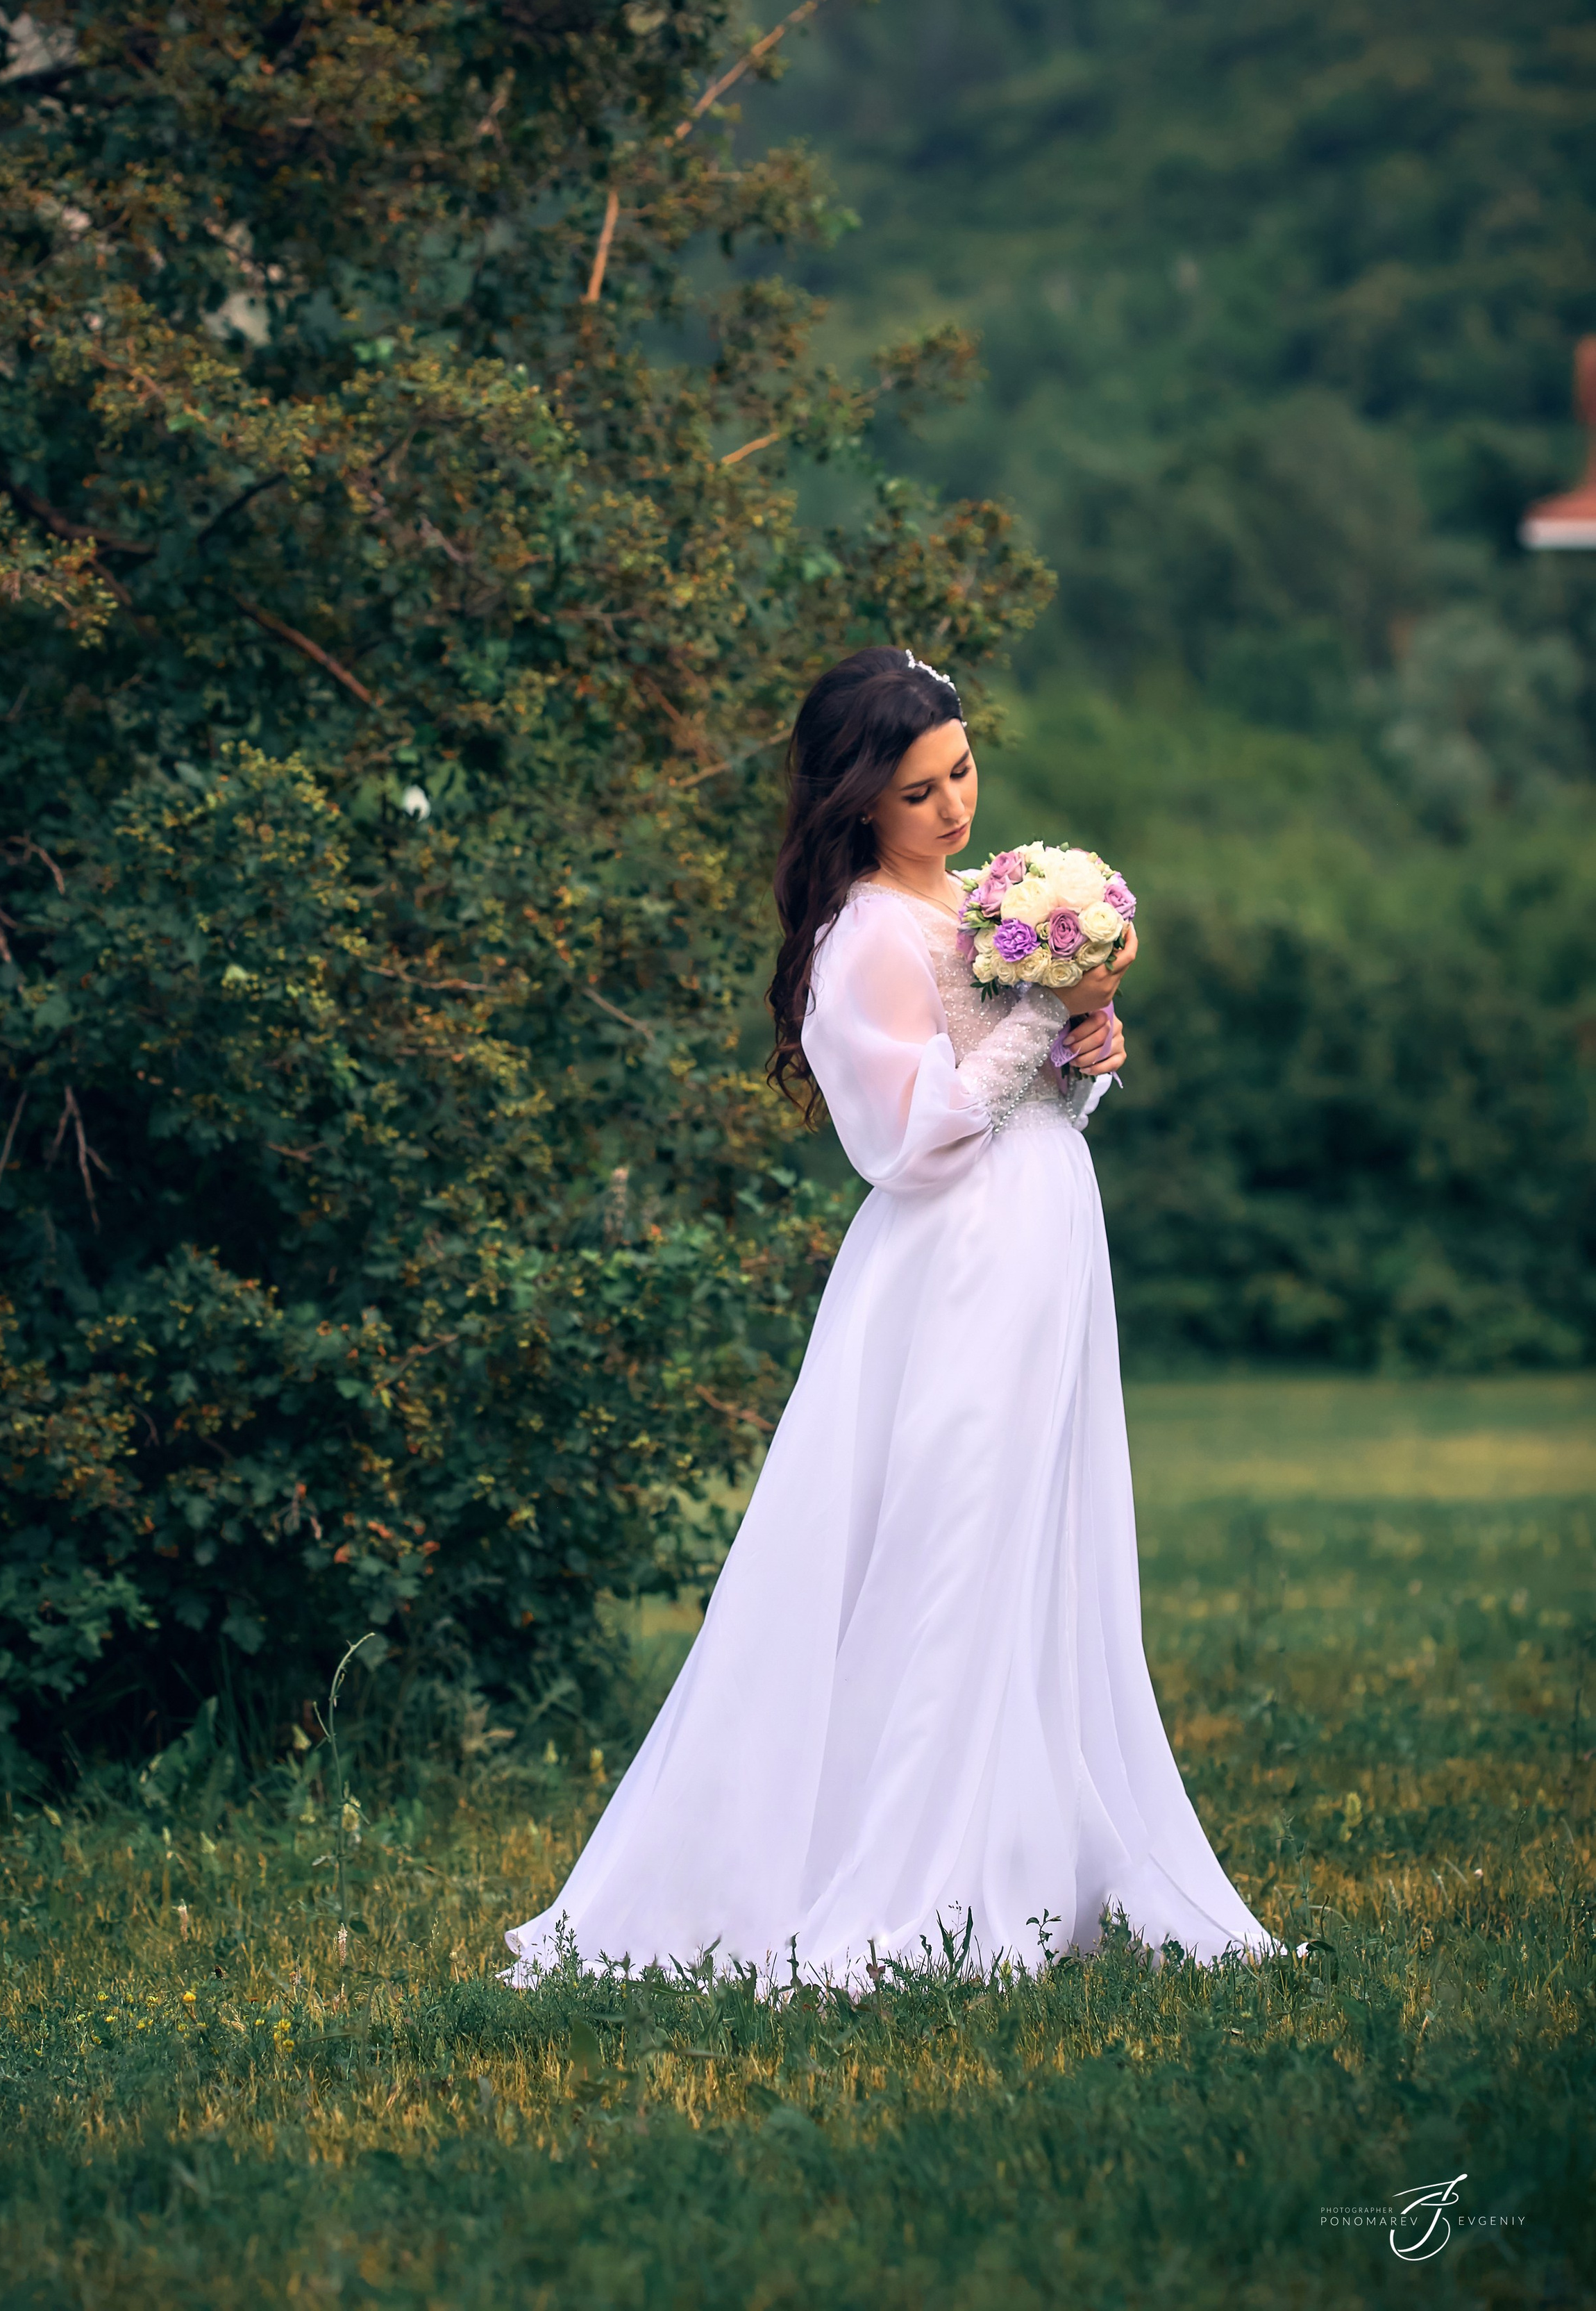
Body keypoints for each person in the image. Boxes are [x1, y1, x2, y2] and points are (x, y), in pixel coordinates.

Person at [501, 645, 1271, 1993]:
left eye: (962, 772)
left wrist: (1088, 1050)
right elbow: (907, 1139)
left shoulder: (981, 904)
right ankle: (905, 1867)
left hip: (1046, 1234)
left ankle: (1034, 1849)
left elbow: (1030, 1093)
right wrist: (1045, 1015)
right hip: (958, 1257)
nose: (954, 806)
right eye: (920, 791)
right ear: (857, 797)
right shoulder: (862, 936)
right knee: (949, 1536)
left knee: (1037, 1541)